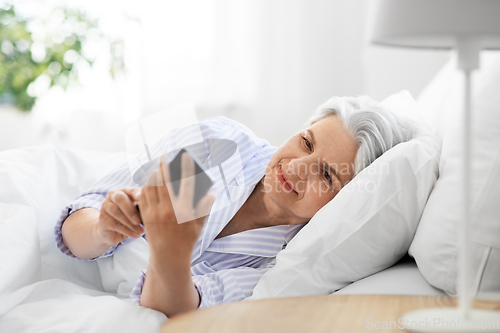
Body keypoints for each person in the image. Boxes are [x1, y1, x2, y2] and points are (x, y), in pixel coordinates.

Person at [55, 95, 418, 318]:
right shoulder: (219, 144)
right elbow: (76, 223)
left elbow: (171, 314)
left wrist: (173, 253)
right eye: (306, 142)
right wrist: (103, 228)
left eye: (326, 175)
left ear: (347, 199)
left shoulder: (289, 261)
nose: (294, 168)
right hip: (68, 273)